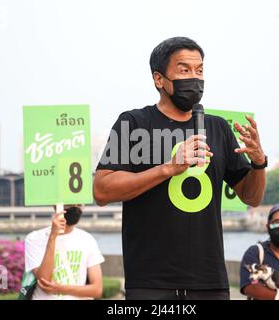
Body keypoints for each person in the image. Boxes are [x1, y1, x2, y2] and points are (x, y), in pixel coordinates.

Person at [93, 37, 267, 300]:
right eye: (184, 70)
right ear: (158, 79)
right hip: (150, 281)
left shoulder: (218, 127)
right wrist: (169, 168)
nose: (194, 79)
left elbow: (252, 196)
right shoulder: (133, 122)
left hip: (210, 280)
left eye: (199, 71)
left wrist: (258, 162)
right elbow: (102, 191)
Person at [24, 205, 104, 300]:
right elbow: (44, 281)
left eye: (79, 204)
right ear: (55, 205)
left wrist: (60, 288)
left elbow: (97, 290)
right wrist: (53, 236)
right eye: (70, 203)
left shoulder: (87, 239)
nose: (75, 206)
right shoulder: (35, 238)